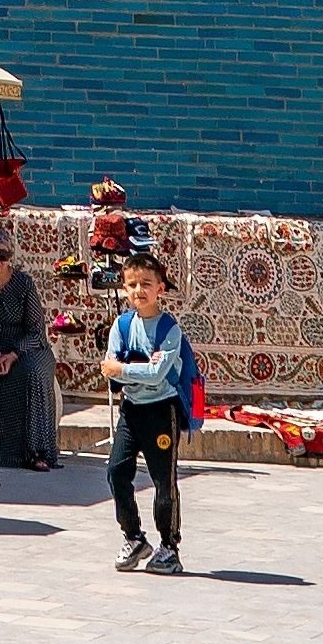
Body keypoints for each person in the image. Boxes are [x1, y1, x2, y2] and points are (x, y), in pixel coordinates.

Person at [102, 242, 194, 572]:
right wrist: (127, 368)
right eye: (132, 284)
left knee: (162, 481)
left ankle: (170, 546)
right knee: (116, 471)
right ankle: (134, 537)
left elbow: (158, 374)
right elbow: (108, 363)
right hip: (132, 411)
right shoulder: (122, 326)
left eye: (146, 284)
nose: (139, 290)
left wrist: (125, 369)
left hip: (160, 412)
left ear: (160, 288)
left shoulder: (170, 330)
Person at [0, 220, 59, 475]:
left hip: (25, 347)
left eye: (3, 254)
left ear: (10, 257)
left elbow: (36, 331)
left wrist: (12, 355)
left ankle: (37, 452)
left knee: (33, 375)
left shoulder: (24, 284)